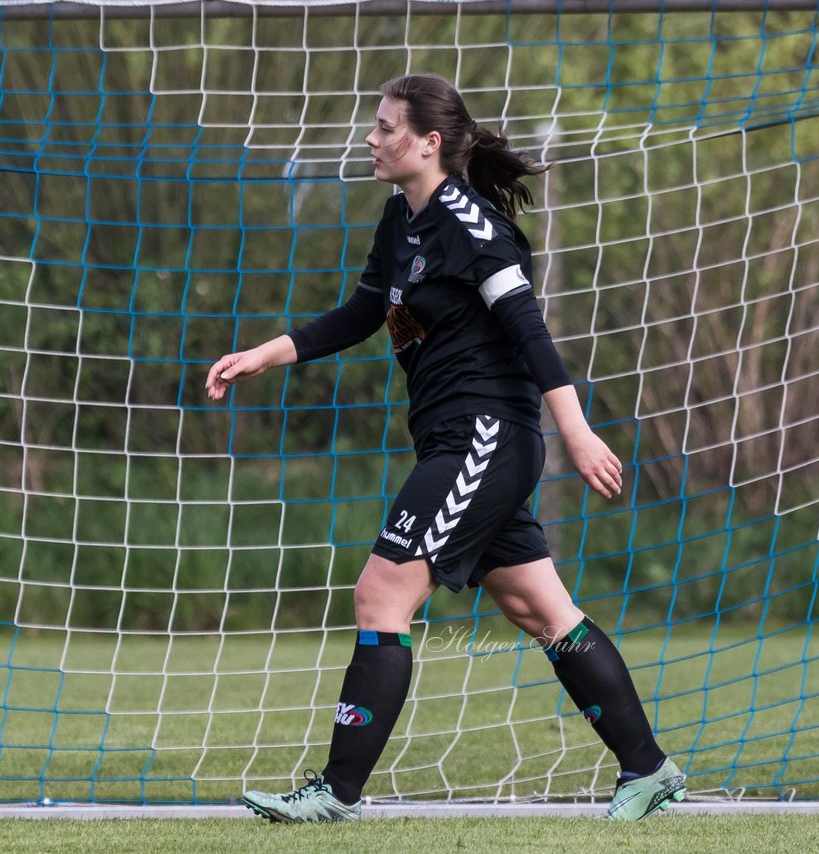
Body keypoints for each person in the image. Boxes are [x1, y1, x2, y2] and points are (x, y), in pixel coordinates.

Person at [205, 73, 686, 822]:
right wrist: (263, 355)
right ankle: (649, 769)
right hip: (461, 440)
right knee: (540, 610)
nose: (371, 138)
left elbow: (530, 333)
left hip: (484, 438)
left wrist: (578, 430)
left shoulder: (473, 226)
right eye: (373, 125)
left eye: (387, 127)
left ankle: (335, 793)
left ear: (429, 143)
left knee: (381, 593)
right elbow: (365, 311)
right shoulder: (402, 216)